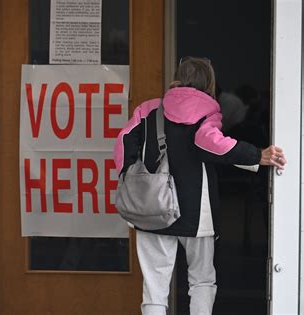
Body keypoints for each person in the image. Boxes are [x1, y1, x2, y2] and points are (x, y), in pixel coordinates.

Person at [113, 57, 286, 315]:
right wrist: (256, 155)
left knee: (154, 286)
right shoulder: (208, 110)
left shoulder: (148, 109)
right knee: (201, 280)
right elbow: (210, 143)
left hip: (152, 206)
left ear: (177, 78)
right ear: (209, 82)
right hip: (197, 211)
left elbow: (123, 142)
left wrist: (131, 175)